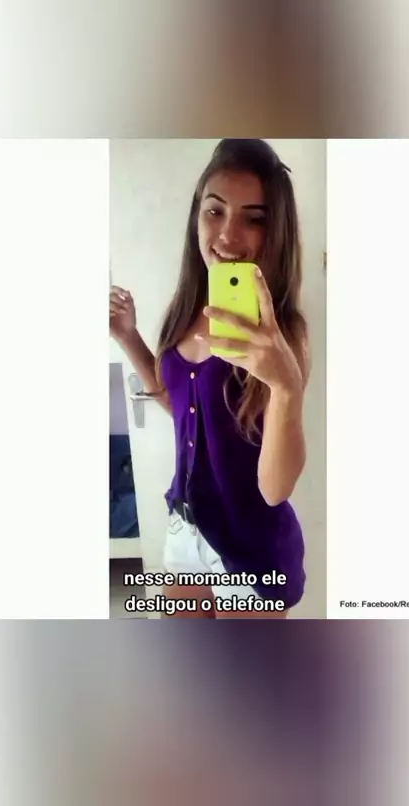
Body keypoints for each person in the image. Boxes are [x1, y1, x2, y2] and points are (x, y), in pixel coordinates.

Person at [110, 138, 310, 619]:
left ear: (275, 230)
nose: (227, 234)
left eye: (253, 218)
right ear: (196, 217)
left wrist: (286, 388)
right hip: (184, 529)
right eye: (214, 211)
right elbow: (180, 407)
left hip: (251, 548)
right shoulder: (185, 310)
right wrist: (129, 337)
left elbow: (275, 490)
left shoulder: (284, 333)